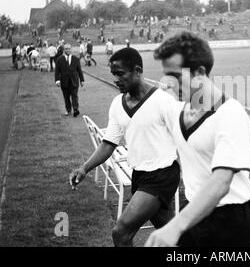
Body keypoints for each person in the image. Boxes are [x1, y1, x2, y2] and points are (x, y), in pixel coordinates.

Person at [145, 31, 250, 247]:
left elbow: (221, 182)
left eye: (175, 76)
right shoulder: (177, 110)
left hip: (234, 223)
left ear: (200, 72)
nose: (167, 84)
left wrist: (174, 226)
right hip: (194, 215)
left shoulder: (230, 113)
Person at [69, 47, 181, 247]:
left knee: (121, 233)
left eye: (120, 74)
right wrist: (84, 168)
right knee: (173, 236)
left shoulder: (163, 101)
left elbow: (184, 139)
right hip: (139, 175)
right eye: (114, 74)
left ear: (137, 70)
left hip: (162, 176)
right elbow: (108, 143)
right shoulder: (117, 104)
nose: (116, 79)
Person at [55, 43, 84, 117]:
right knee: (66, 97)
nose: (67, 50)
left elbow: (79, 70)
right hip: (64, 82)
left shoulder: (76, 59)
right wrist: (57, 80)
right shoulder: (59, 60)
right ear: (63, 50)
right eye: (66, 49)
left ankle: (75, 109)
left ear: (71, 49)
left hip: (74, 81)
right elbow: (57, 71)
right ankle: (68, 110)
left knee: (74, 96)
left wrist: (82, 80)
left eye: (69, 49)